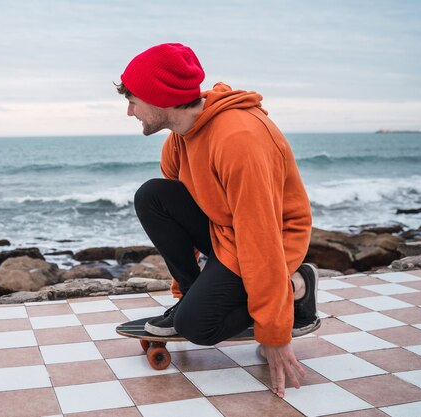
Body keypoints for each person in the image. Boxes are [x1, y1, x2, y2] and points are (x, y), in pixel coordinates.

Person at [116, 43, 320, 398]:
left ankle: (298, 284)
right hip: (225, 231)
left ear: (159, 97)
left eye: (133, 100)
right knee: (153, 195)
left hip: (271, 239)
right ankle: (195, 298)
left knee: (197, 327)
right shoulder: (179, 139)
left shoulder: (240, 139)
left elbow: (262, 237)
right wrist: (188, 292)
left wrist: (274, 331)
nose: (130, 111)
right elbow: (180, 220)